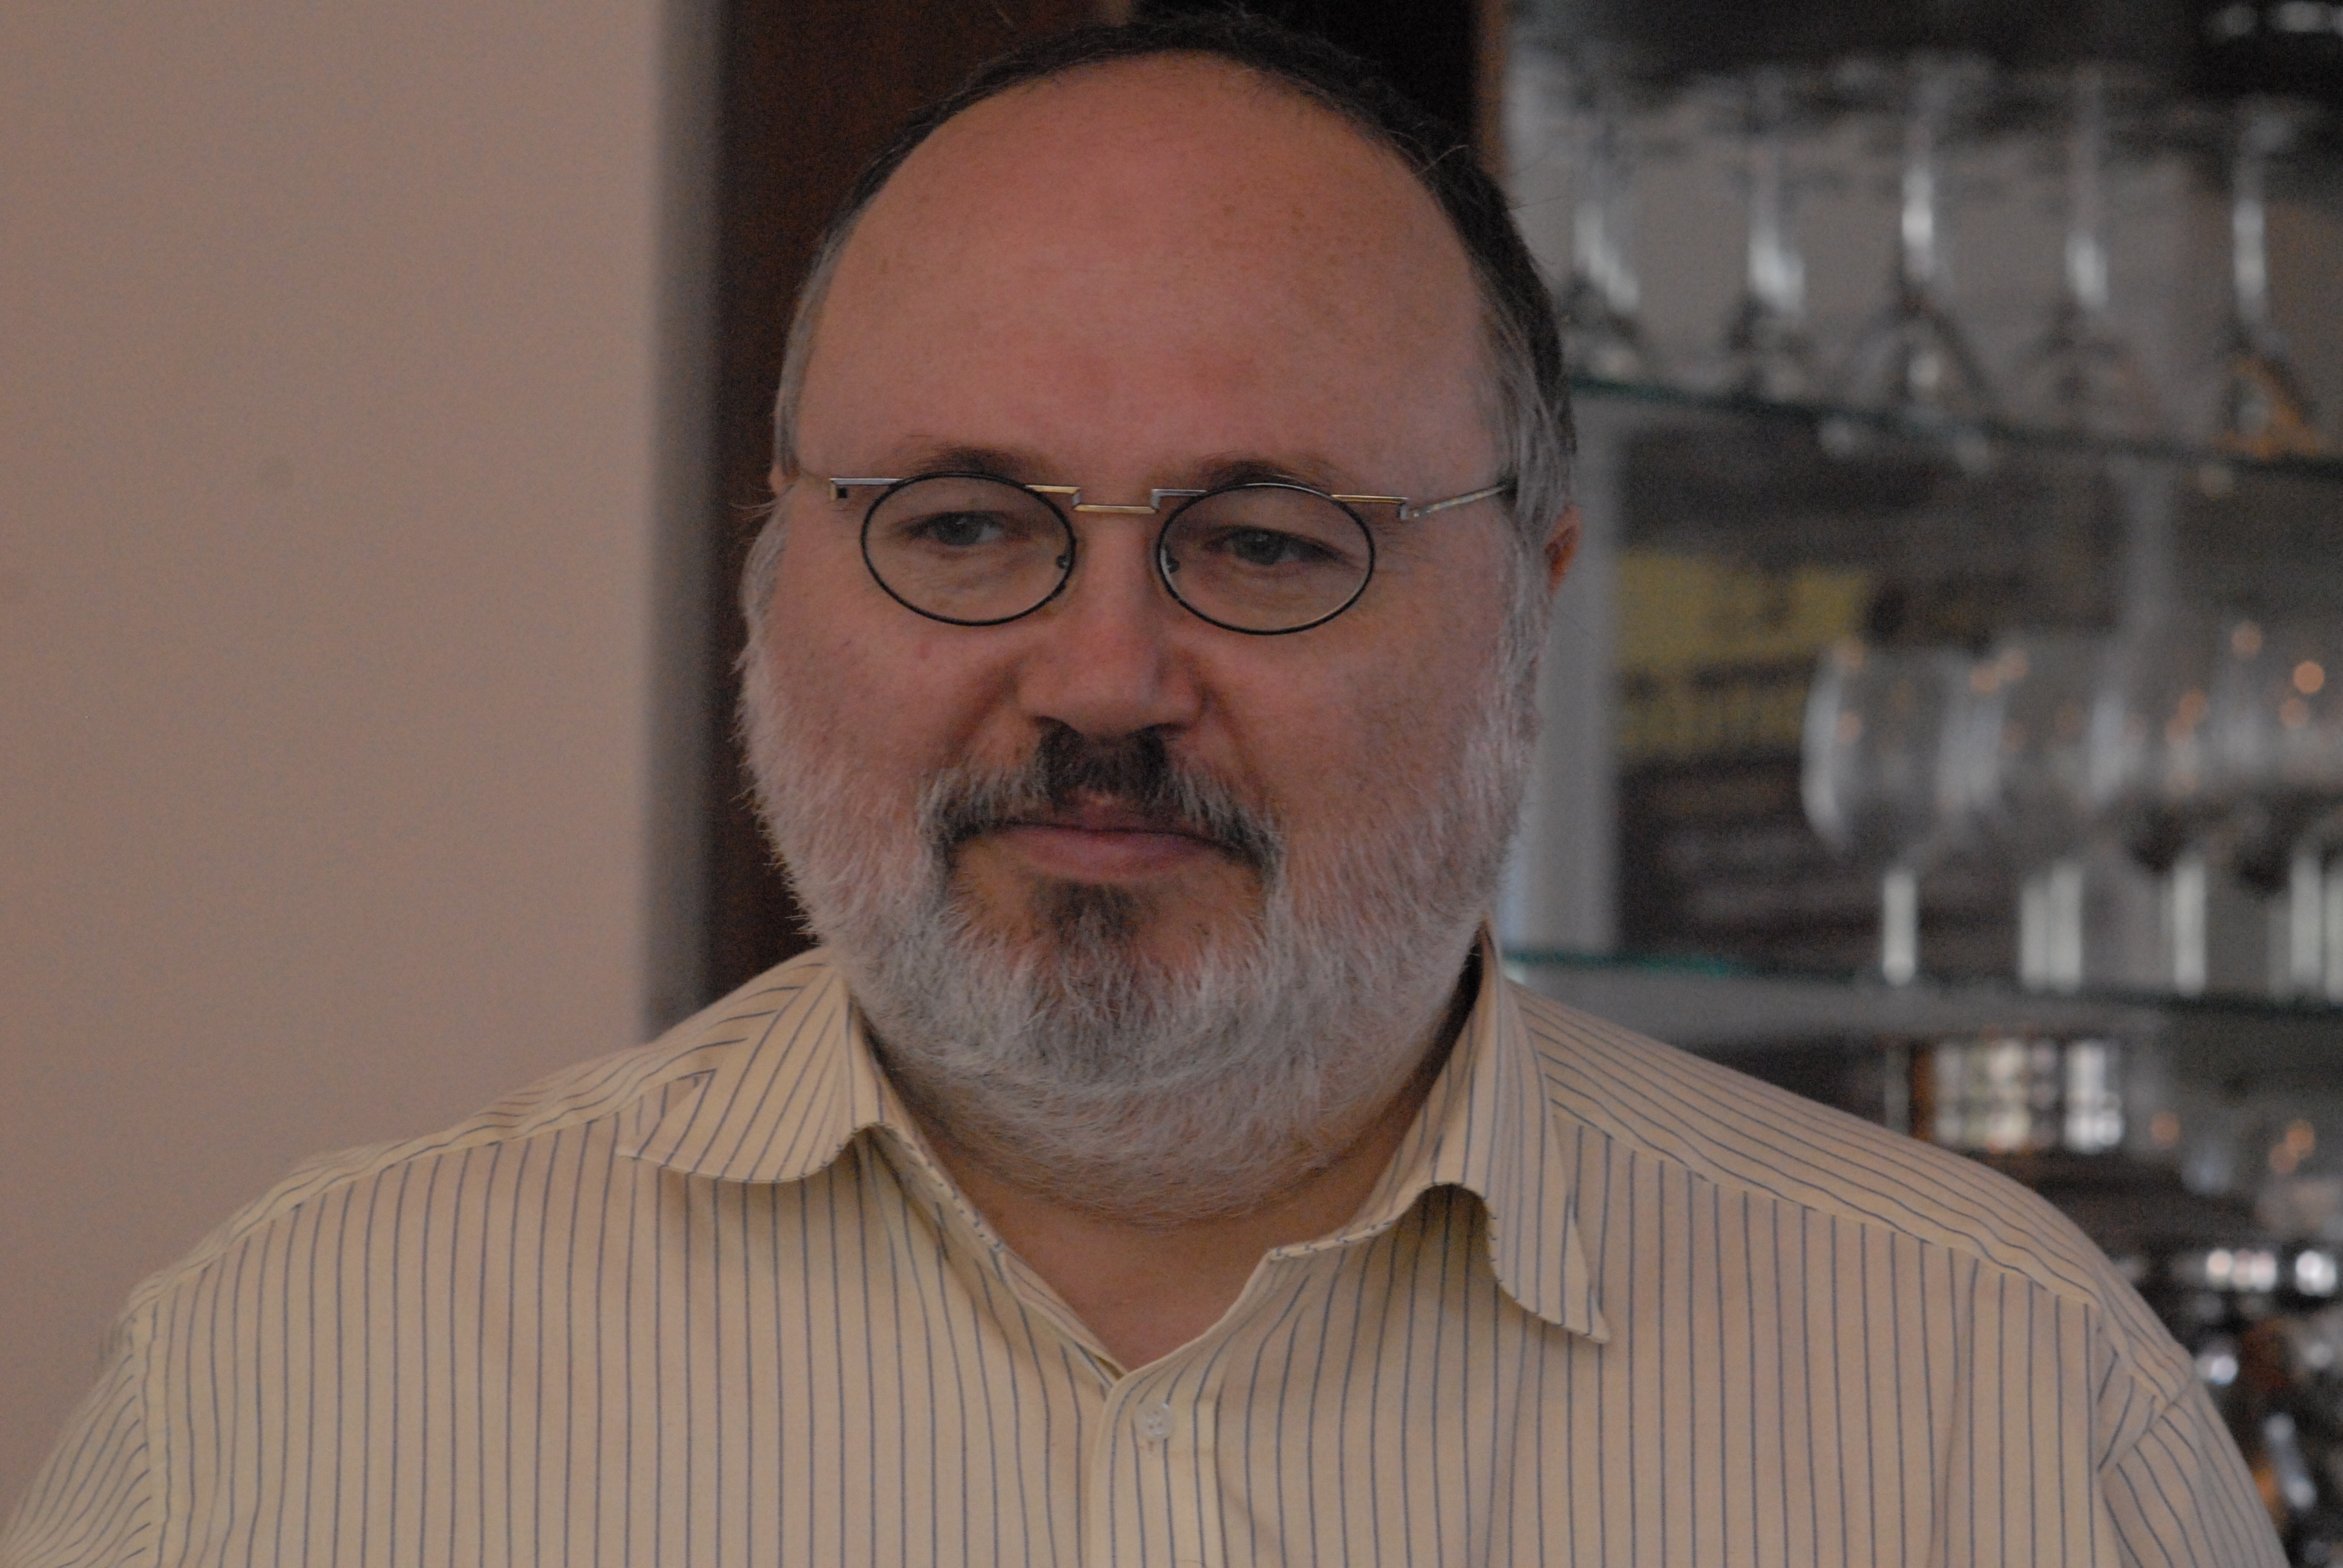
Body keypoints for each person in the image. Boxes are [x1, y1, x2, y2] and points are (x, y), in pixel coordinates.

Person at [3, 17, 2279, 1567]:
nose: (1104, 677)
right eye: (963, 525)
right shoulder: (295, 1390)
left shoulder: (1996, 1408)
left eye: (1266, 544)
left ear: (1533, 606)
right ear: (777, 567)